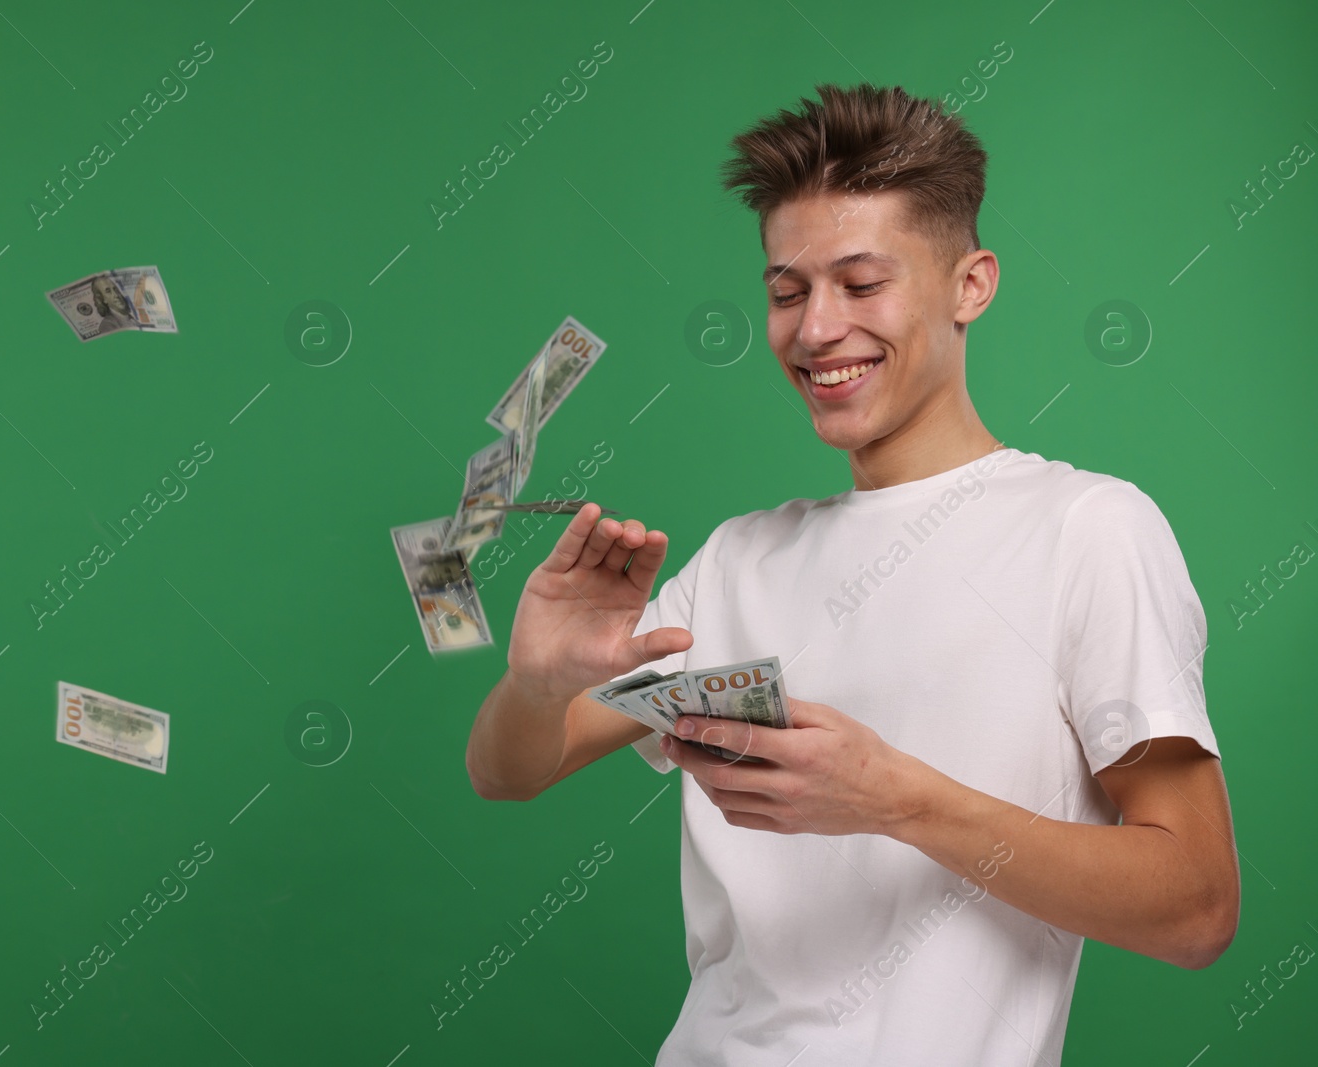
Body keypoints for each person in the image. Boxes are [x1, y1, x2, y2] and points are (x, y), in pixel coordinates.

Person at [464, 82, 1238, 1065]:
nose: (814, 329)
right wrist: (537, 685)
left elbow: (1197, 906)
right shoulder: (742, 556)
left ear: (971, 284)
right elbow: (505, 771)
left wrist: (891, 796)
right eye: (786, 290)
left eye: (861, 284)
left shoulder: (1090, 530)